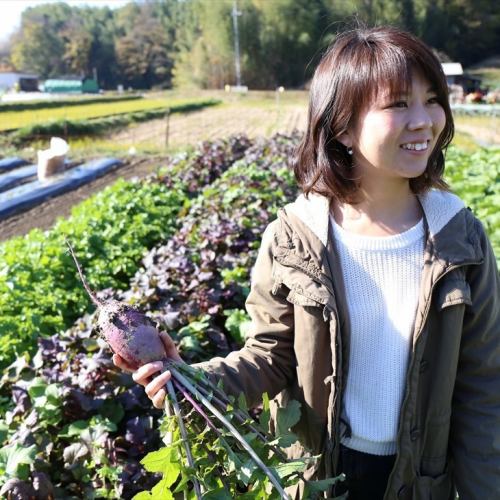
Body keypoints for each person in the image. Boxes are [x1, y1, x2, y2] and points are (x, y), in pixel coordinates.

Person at [114, 26, 500, 500]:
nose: (424, 120)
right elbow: (270, 355)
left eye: (432, 100)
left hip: (421, 479)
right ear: (342, 126)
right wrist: (198, 382)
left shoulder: (460, 238)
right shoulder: (296, 237)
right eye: (398, 104)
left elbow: (482, 386)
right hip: (320, 477)